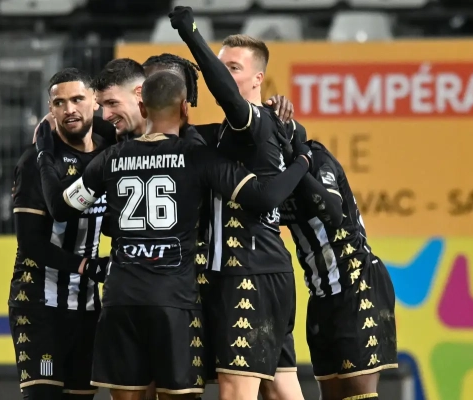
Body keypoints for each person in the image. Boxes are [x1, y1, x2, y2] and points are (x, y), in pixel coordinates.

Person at [35, 70, 312, 400]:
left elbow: (60, 207)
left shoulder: (111, 159)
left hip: (121, 300)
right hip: (175, 302)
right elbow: (264, 197)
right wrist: (302, 160)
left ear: (143, 107)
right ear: (184, 108)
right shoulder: (197, 157)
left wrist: (44, 154)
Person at [169, 6, 305, 400]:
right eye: (222, 65)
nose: (224, 74)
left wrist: (191, 34)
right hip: (268, 269)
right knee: (282, 390)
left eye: (234, 68)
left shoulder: (254, 123)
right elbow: (176, 133)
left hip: (248, 272)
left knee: (235, 392)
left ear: (258, 78)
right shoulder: (229, 131)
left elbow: (225, 95)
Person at [8, 67, 110, 400]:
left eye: (78, 99)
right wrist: (85, 266)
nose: (69, 109)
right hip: (39, 304)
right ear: (51, 110)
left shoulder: (111, 152)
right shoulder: (34, 162)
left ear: (94, 100)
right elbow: (30, 243)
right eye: (60, 103)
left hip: (88, 306)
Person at [277, 130, 398, 400]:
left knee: (358, 393)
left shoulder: (318, 159)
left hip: (357, 284)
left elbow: (332, 211)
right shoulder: (270, 172)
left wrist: (298, 162)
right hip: (320, 295)